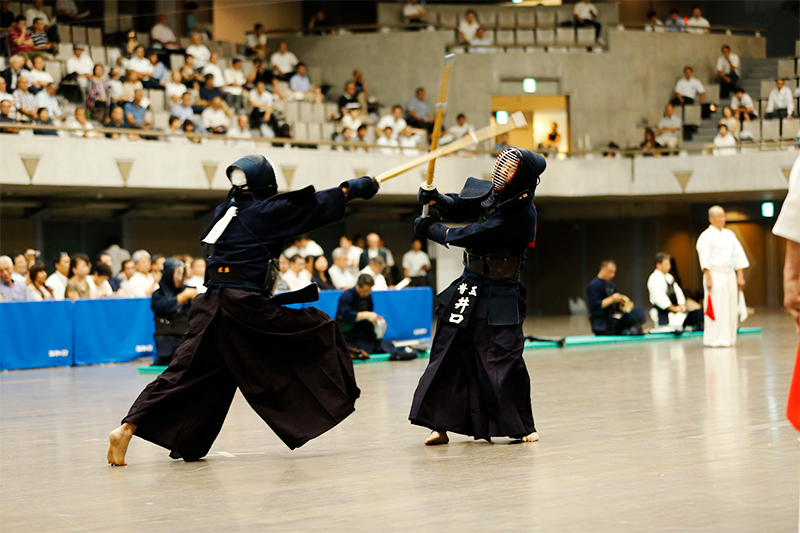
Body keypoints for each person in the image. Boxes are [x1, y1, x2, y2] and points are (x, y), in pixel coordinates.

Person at [107, 154, 378, 466]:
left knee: (188, 373)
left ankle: (127, 428)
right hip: (245, 308)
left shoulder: (225, 211)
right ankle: (325, 401)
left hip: (209, 305)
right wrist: (359, 187)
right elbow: (315, 205)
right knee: (318, 328)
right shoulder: (270, 211)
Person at [410, 147, 545, 446]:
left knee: (504, 357)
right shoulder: (494, 194)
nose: (501, 170)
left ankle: (520, 425)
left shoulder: (522, 213)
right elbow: (464, 206)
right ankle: (438, 424)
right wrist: (437, 199)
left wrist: (434, 230)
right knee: (447, 348)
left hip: (501, 290)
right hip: (470, 284)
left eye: (510, 168)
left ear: (521, 176)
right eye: (502, 164)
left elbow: (476, 232)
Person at [696, 206, 749, 347]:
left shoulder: (729, 234)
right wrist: (708, 276)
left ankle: (730, 338)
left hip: (729, 274)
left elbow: (738, 255)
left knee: (730, 307)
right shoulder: (706, 236)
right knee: (717, 307)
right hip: (715, 275)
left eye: (723, 216)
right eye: (718, 216)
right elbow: (704, 257)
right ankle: (715, 339)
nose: (721, 219)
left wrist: (740, 275)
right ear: (711, 218)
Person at [150, 258, 198, 366]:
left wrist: (195, 298)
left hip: (187, 342)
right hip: (166, 343)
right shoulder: (158, 295)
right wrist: (183, 296)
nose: (179, 277)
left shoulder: (190, 290)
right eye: (176, 273)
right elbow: (164, 307)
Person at [587, 260, 646, 336]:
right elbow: (594, 307)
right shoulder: (594, 285)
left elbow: (617, 307)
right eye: (610, 272)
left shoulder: (612, 286)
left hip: (615, 320)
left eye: (614, 272)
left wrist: (624, 306)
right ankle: (632, 330)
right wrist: (611, 299)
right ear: (602, 269)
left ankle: (636, 329)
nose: (612, 275)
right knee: (634, 316)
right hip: (603, 323)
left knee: (638, 311)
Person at [648, 252, 703, 330]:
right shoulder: (654, 278)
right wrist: (673, 308)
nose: (669, 266)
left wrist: (681, 305)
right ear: (658, 265)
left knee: (695, 315)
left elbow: (678, 292)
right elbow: (660, 298)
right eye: (666, 264)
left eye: (669, 264)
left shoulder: (669, 277)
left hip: (677, 310)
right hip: (663, 313)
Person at [336, 274, 385, 355]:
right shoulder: (347, 296)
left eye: (368, 291)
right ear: (358, 286)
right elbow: (346, 316)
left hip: (361, 331)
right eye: (364, 291)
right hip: (347, 332)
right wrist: (365, 315)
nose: (366, 293)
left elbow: (370, 311)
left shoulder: (368, 296)